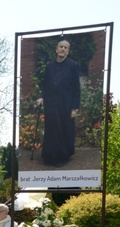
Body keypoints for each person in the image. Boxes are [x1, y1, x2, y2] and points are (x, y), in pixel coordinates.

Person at [36, 39, 80, 167]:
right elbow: (46, 85)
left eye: (65, 48)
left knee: (63, 129)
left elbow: (76, 88)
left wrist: (74, 108)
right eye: (61, 47)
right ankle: (49, 156)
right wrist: (41, 97)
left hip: (66, 104)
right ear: (56, 49)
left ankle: (61, 157)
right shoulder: (50, 66)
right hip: (51, 103)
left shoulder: (73, 65)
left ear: (68, 51)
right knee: (51, 129)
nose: (62, 49)